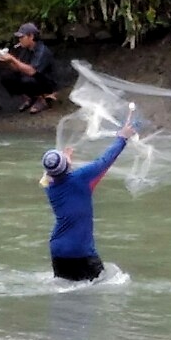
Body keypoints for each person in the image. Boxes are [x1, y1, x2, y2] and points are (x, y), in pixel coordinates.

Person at [40, 119, 137, 282]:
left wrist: (66, 160)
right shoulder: (79, 179)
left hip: (58, 250)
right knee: (101, 288)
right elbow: (104, 161)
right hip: (80, 251)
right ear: (66, 167)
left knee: (66, 295)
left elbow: (52, 175)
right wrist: (122, 137)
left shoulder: (49, 187)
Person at [0, 22, 57, 114]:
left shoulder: (42, 50)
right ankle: (31, 97)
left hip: (46, 82)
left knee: (27, 80)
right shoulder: (25, 49)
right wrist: (8, 61)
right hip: (32, 78)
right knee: (6, 77)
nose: (19, 40)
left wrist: (12, 58)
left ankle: (44, 99)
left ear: (31, 36)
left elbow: (32, 71)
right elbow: (18, 68)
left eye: (22, 37)